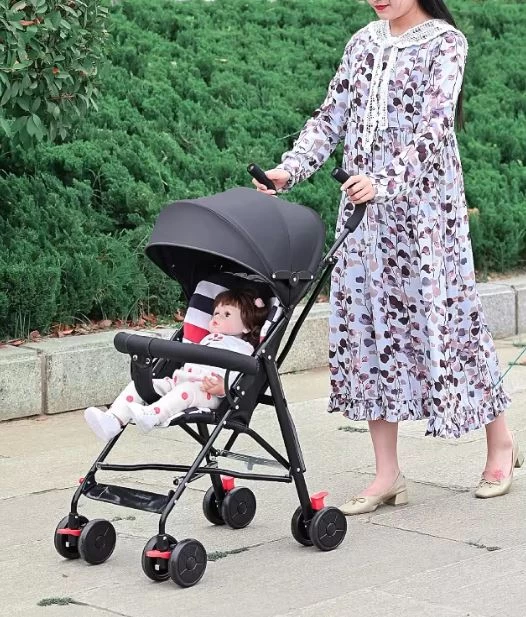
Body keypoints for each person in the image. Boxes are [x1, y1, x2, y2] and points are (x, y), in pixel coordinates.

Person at [253, 0, 522, 513]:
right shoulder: (363, 42)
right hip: (363, 215)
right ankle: (387, 474)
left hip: (426, 215)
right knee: (368, 327)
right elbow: (331, 117)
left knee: (451, 323)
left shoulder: (446, 42)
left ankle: (500, 444)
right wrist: (290, 170)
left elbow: (435, 128)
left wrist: (385, 181)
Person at [84, 289, 268, 441]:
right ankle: (113, 420)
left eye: (227, 314)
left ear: (246, 326)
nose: (217, 317)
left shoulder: (242, 348)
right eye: (216, 313)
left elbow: (242, 375)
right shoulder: (206, 339)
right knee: (141, 385)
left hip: (209, 393)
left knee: (186, 390)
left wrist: (222, 388)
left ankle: (153, 415)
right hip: (180, 379)